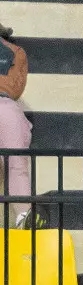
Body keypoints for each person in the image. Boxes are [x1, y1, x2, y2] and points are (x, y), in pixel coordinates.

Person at [0, 23, 33, 229]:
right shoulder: (15, 51)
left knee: (15, 163)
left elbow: (14, 89)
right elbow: (16, 88)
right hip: (6, 106)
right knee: (16, 164)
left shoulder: (14, 52)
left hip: (6, 106)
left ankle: (24, 217)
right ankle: (24, 216)